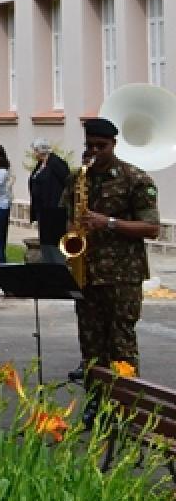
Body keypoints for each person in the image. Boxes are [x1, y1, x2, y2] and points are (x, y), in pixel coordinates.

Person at [69, 118, 160, 414]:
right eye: (90, 145)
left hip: (123, 276)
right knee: (90, 343)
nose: (95, 151)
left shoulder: (135, 178)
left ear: (114, 144)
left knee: (120, 342)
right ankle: (95, 402)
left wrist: (107, 222)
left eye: (101, 146)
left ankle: (124, 406)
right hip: (87, 272)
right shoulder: (79, 177)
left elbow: (151, 227)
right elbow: (68, 217)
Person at [28, 139, 72, 265]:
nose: (34, 153)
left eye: (35, 151)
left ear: (41, 151)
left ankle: (58, 266)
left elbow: (67, 181)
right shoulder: (40, 165)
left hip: (54, 210)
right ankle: (49, 265)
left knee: (54, 243)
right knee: (45, 243)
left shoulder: (56, 163)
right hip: (43, 211)